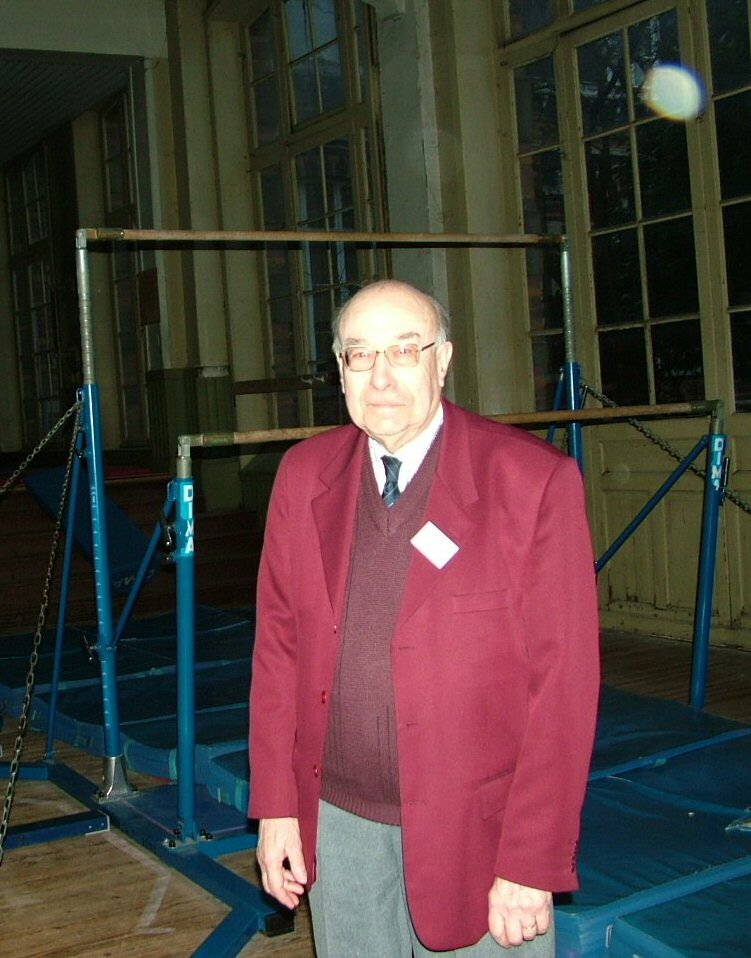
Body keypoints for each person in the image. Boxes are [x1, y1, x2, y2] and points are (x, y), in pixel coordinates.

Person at [249, 279, 600, 957]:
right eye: (359, 354)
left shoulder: (531, 482)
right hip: (340, 825)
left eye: (404, 351)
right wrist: (277, 806)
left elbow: (564, 689)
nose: (380, 377)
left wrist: (531, 861)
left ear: (443, 361)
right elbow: (278, 651)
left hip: (481, 837)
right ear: (340, 370)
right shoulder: (302, 474)